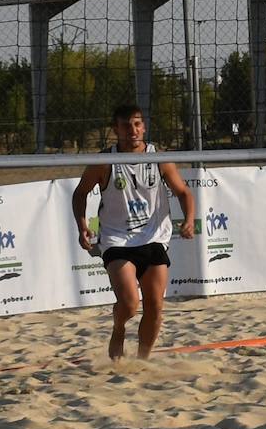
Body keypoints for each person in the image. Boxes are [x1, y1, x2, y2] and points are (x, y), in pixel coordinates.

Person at [72, 103, 195, 360]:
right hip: (118, 240)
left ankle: (142, 359)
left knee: (155, 306)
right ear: (116, 129)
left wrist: (189, 220)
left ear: (144, 126)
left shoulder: (158, 158)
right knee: (129, 304)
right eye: (126, 126)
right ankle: (118, 328)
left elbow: (183, 192)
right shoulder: (104, 162)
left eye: (137, 124)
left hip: (153, 239)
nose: (133, 130)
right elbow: (80, 193)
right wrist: (82, 225)